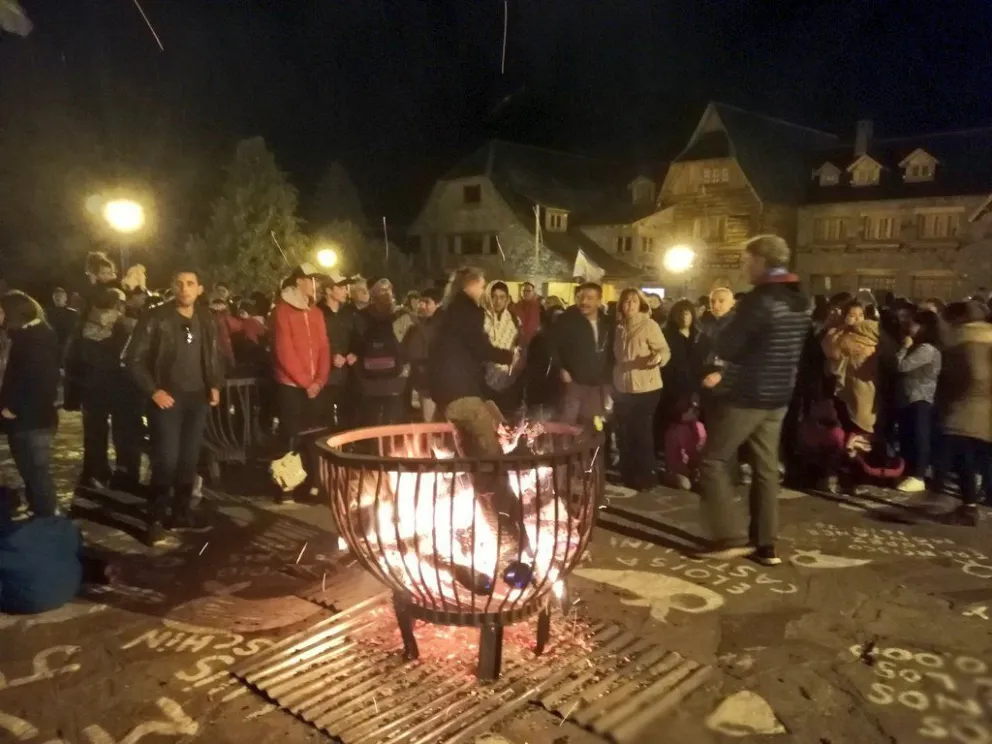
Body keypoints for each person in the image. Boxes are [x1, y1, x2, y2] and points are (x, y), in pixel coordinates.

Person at [695, 235, 810, 565]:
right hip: (779, 395)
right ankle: (765, 542)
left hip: (749, 393)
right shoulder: (799, 298)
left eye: (747, 260)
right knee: (765, 467)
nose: (744, 267)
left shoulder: (760, 301)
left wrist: (718, 331)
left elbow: (729, 346)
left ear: (762, 261)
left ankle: (728, 536)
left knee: (713, 460)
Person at [125, 269, 224, 545]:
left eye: (190, 284)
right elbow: (132, 359)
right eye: (179, 283)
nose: (184, 288)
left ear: (200, 289)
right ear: (172, 287)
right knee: (165, 459)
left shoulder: (206, 318)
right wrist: (153, 390)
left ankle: (181, 513)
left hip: (197, 399)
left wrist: (215, 384)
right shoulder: (156, 317)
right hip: (167, 397)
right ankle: (155, 518)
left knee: (188, 459)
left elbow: (215, 354)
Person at [429, 266, 518, 444]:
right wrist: (509, 357)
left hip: (445, 389)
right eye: (482, 286)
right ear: (470, 285)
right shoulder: (468, 311)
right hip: (461, 390)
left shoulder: (446, 311)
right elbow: (479, 346)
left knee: (464, 447)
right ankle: (494, 471)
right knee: (488, 448)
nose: (483, 291)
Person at [65, 287, 142, 492]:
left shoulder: (83, 327)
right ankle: (125, 475)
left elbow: (71, 362)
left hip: (92, 388)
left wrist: (73, 394)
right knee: (125, 434)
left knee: (94, 433)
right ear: (118, 305)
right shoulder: (127, 326)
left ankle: (95, 472)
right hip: (123, 388)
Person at [270, 264, 331, 502]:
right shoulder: (282, 311)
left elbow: (324, 346)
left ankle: (314, 484)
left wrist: (320, 379)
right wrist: (307, 382)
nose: (315, 284)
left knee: (315, 435)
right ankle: (287, 487)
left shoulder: (316, 312)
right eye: (311, 279)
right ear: (299, 282)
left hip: (316, 385)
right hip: (291, 385)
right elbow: (284, 351)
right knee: (290, 437)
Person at [0, 291, 61, 519]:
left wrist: (13, 407)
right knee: (29, 470)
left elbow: (39, 380)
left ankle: (47, 518)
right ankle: (38, 509)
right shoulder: (23, 335)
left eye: (2, 311)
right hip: (25, 419)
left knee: (37, 471)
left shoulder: (36, 338)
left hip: (33, 419)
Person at [933, 301, 992, 526]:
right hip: (984, 408)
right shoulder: (987, 336)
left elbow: (973, 375)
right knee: (982, 456)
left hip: (967, 407)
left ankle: (968, 507)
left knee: (963, 455)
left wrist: (952, 395)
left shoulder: (967, 339)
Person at [612, 288, 670, 490]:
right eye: (625, 302)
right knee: (624, 432)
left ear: (640, 304)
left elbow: (664, 349)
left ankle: (646, 476)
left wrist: (658, 358)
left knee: (641, 431)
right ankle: (627, 473)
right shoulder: (618, 327)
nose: (629, 306)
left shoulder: (648, 325)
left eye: (633, 302)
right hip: (623, 386)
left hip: (646, 387)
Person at [353, 279, 415, 426]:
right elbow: (410, 344)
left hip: (369, 376)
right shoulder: (402, 315)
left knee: (371, 419)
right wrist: (405, 366)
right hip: (395, 376)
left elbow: (356, 345)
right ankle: (391, 447)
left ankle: (373, 447)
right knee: (393, 419)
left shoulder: (361, 316)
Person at [894, 310, 941, 493]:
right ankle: (909, 471)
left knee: (919, 437)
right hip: (909, 398)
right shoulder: (920, 346)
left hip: (920, 398)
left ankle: (919, 475)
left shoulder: (926, 349)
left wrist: (904, 347)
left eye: (913, 324)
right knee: (908, 436)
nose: (909, 327)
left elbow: (902, 366)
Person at [552, 282, 612, 428]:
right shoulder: (567, 320)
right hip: (573, 383)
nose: (584, 301)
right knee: (567, 425)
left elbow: (610, 351)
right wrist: (560, 368)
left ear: (599, 300)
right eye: (581, 297)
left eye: (589, 298)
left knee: (591, 426)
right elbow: (552, 347)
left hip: (597, 385)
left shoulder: (607, 323)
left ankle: (588, 451)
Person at [318, 272, 358, 428]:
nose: (345, 291)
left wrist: (354, 353)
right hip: (325, 377)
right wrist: (331, 356)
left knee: (348, 417)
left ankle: (347, 448)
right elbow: (315, 342)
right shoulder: (317, 313)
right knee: (325, 419)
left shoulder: (348, 313)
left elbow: (356, 338)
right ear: (328, 290)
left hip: (347, 376)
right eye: (341, 287)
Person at [483, 281, 523, 417]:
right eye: (494, 296)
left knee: (505, 418)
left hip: (508, 376)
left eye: (502, 297)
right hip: (484, 376)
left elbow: (518, 344)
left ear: (507, 299)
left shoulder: (513, 319)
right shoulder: (480, 318)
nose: (498, 301)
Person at [406, 288, 441, 421]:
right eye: (421, 302)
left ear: (438, 304)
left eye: (427, 302)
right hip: (425, 384)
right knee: (429, 425)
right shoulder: (416, 327)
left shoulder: (447, 326)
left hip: (442, 384)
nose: (422, 306)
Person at [48, 287, 78, 353]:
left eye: (60, 296)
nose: (58, 298)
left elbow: (74, 331)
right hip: (51, 345)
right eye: (55, 296)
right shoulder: (48, 313)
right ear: (53, 298)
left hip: (67, 345)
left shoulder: (72, 313)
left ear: (65, 298)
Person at [512, 282, 542, 346]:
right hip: (516, 340)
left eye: (528, 291)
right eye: (524, 290)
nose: (525, 293)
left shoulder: (535, 307)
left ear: (533, 292)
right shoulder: (517, 306)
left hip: (529, 342)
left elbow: (532, 326)